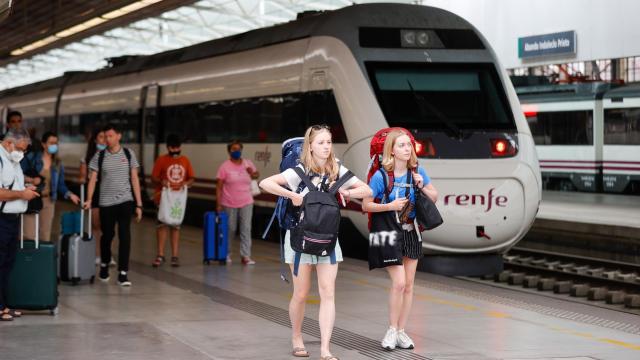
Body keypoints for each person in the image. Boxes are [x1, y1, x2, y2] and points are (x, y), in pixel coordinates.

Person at [259, 125, 371, 359]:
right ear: (310, 146)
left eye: (329, 142)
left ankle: (325, 348)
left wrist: (347, 194)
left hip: (328, 239)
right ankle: (297, 337)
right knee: (301, 294)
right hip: (299, 238)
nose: (326, 146)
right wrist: (293, 196)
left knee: (328, 292)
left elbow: (367, 189)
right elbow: (265, 183)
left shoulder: (337, 169)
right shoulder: (298, 171)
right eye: (321, 142)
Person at [361, 130, 438, 350]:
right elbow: (366, 205)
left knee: (409, 285)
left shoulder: (418, 172)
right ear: (391, 150)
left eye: (409, 145)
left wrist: (422, 185)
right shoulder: (381, 176)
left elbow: (434, 196)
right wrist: (389, 206)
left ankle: (402, 331)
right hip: (387, 231)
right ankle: (392, 330)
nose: (407, 149)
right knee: (400, 283)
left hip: (411, 231)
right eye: (402, 145)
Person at [84, 124, 143, 287]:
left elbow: (134, 179)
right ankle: (104, 264)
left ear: (119, 136)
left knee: (125, 237)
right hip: (106, 203)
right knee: (107, 236)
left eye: (111, 136)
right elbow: (93, 180)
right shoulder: (99, 157)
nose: (108, 139)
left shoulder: (129, 154)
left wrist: (139, 204)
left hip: (125, 201)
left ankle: (123, 273)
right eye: (106, 136)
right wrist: (89, 199)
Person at [0, 129, 39, 321]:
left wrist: (25, 189)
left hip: (13, 219)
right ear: (9, 143)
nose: (22, 153)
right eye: (20, 149)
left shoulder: (13, 161)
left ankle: (4, 305)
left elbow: (11, 186)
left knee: (7, 264)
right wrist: (22, 195)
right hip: (1, 220)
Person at [21, 132, 80, 242]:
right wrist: (31, 180)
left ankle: (42, 258)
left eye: (56, 143)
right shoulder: (32, 158)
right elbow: (19, 173)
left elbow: (60, 185)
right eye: (51, 142)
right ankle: (29, 258)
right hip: (32, 199)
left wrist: (70, 194)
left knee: (45, 234)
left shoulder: (57, 163)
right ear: (44, 144)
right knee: (29, 235)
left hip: (49, 201)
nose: (54, 145)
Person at [150, 134, 194, 267]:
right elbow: (153, 178)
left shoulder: (185, 160)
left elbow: (191, 178)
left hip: (178, 199)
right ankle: (160, 254)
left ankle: (175, 256)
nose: (175, 150)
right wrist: (161, 181)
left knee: (175, 225)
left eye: (177, 148)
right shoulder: (161, 160)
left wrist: (185, 183)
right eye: (172, 148)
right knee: (161, 225)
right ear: (168, 147)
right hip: (162, 197)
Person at [215, 141, 259, 265]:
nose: (237, 151)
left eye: (239, 149)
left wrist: (252, 172)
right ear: (229, 151)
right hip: (228, 202)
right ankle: (227, 254)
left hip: (246, 201)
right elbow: (219, 186)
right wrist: (218, 204)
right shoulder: (224, 166)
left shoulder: (247, 163)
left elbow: (256, 175)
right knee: (230, 228)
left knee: (246, 228)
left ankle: (246, 256)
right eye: (234, 149)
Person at [79, 129, 114, 266]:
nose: (104, 140)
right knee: (96, 225)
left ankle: (108, 255)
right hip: (94, 193)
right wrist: (83, 178)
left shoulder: (112, 156)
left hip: (109, 193)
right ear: (95, 140)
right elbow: (82, 176)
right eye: (101, 137)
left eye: (106, 137)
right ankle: (98, 254)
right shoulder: (87, 157)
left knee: (109, 227)